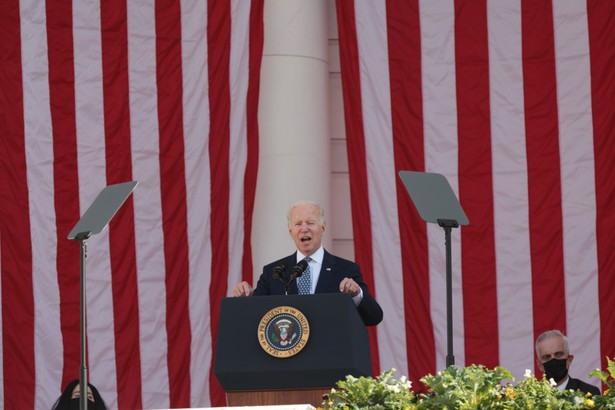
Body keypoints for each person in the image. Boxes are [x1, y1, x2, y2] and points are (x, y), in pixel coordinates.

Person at [233, 200, 383, 326]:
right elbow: (255, 318)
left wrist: (356, 294)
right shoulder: (274, 272)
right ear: (290, 232)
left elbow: (374, 316)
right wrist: (246, 299)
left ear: (323, 228)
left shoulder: (346, 270)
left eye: (310, 223)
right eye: (298, 224)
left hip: (329, 356)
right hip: (286, 356)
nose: (304, 229)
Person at [535, 329, 600, 396]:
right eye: (547, 357)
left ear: (569, 360)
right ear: (539, 365)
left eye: (558, 354)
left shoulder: (589, 393)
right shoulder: (530, 397)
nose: (553, 361)